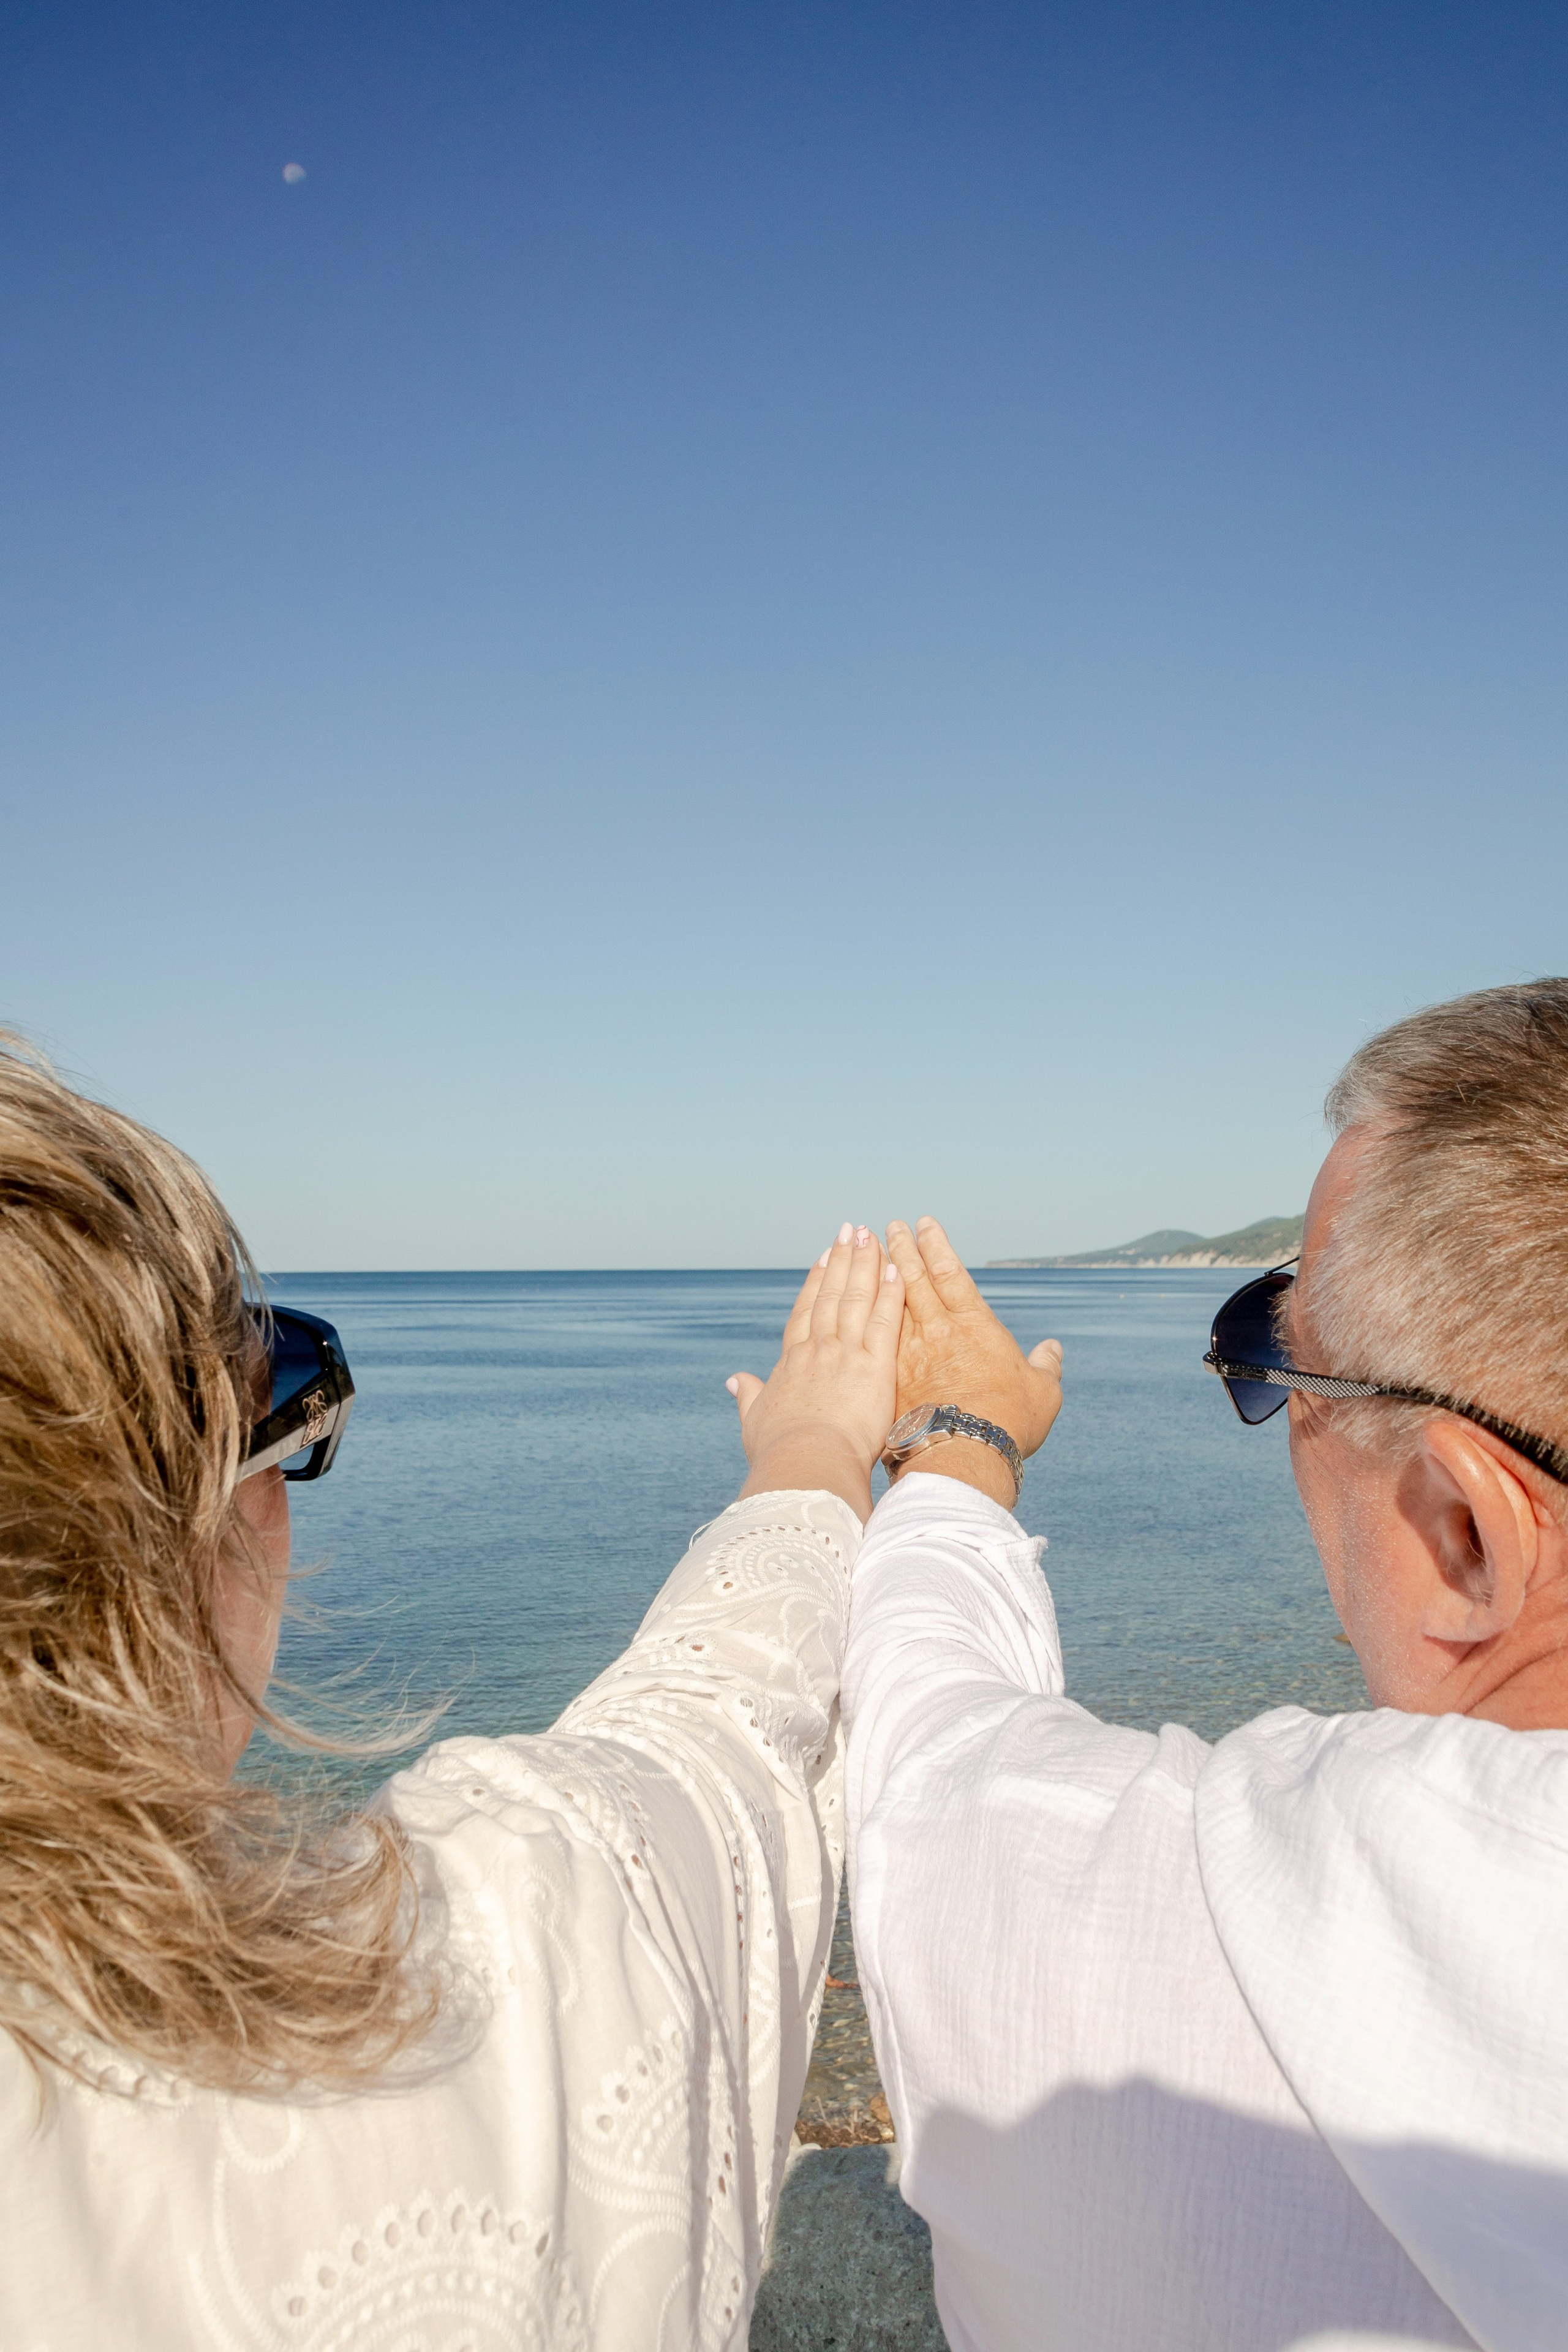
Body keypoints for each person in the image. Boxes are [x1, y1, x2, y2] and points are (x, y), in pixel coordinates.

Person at [0, 1037, 905, 2351]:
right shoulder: (436, 2019)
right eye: (277, 1403)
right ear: (174, 1528)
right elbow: (712, 1746)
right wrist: (825, 1441)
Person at [843, 980, 1568, 2352]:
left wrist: (956, 1441)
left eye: (1275, 1367)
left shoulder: (1211, 1926)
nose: (1273, 1406)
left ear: (1463, 1532)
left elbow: (926, 1756)